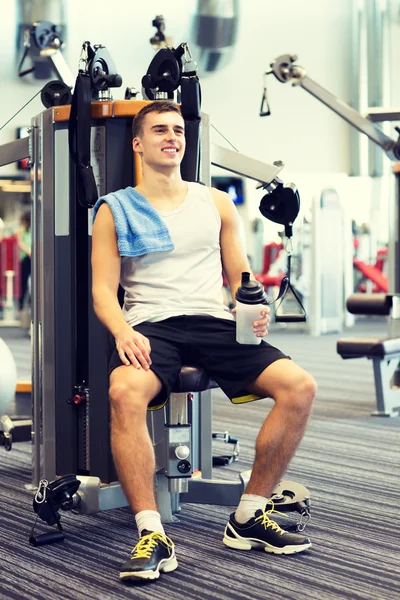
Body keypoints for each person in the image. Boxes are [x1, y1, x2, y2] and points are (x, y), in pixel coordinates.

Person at [91, 101, 317, 583]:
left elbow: (240, 274)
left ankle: (249, 516)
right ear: (138, 143)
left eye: (177, 129)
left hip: (213, 321)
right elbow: (102, 292)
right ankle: (151, 532)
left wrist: (249, 308)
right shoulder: (115, 209)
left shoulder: (214, 201)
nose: (171, 137)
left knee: (299, 387)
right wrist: (123, 331)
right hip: (152, 325)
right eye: (158, 130)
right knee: (122, 392)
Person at [15, 211, 32, 319]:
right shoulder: (21, 230)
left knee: (32, 282)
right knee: (23, 283)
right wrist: (29, 251)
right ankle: (21, 307)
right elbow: (19, 243)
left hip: (33, 256)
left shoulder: (33, 229)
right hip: (25, 258)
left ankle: (29, 305)